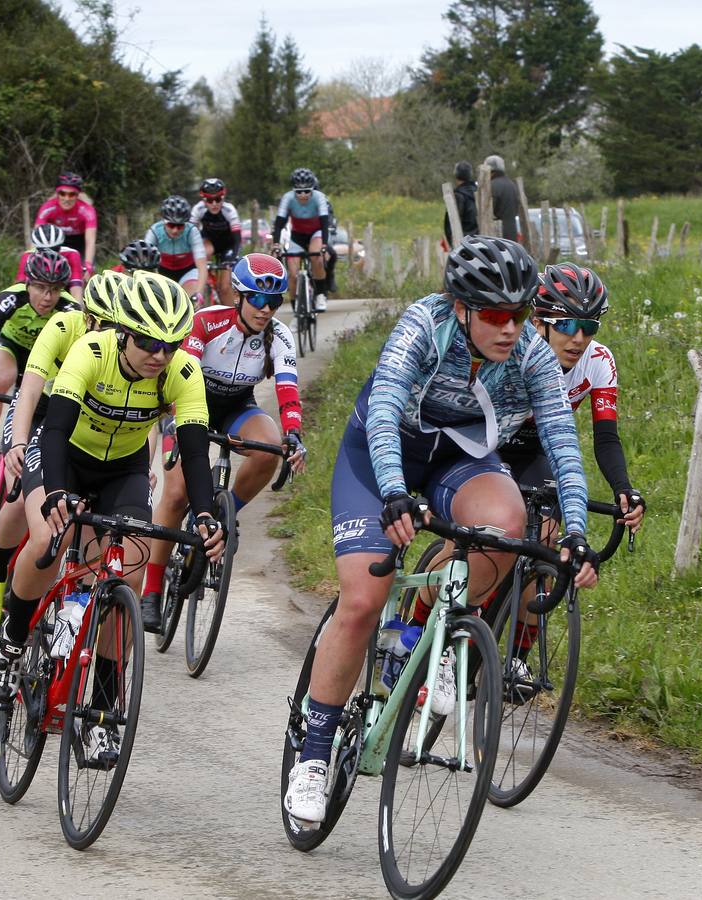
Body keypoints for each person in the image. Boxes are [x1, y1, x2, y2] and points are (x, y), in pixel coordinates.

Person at [282, 235, 600, 827]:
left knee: (511, 524)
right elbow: (382, 410)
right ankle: (315, 753)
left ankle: (425, 625)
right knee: (361, 601)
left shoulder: (528, 351)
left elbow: (562, 441)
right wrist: (395, 492)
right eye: (496, 315)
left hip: (458, 457)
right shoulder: (422, 327)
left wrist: (576, 532)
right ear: (461, 308)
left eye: (522, 314)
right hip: (381, 454)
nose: (511, 329)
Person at [0, 271, 225, 767]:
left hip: (124, 470)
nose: (159, 354)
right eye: (147, 342)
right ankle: (11, 640)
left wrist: (204, 515)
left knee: (126, 581)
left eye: (170, 343)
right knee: (51, 535)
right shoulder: (91, 352)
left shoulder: (182, 372)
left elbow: (196, 454)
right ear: (123, 332)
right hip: (64, 457)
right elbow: (53, 431)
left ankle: (99, 711)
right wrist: (55, 492)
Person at [494, 263, 645, 680]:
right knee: (491, 537)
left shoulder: (599, 362)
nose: (579, 338)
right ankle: (431, 631)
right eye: (567, 325)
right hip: (488, 445)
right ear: (539, 321)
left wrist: (623, 489)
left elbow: (606, 438)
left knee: (543, 543)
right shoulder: (513, 347)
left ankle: (516, 658)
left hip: (539, 450)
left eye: (590, 325)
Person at [140, 253, 308, 628]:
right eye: (259, 299)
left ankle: (223, 511)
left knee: (270, 447)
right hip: (191, 402)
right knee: (177, 493)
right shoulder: (207, 322)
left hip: (236, 406)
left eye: (275, 301)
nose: (266, 309)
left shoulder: (279, 336)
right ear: (240, 296)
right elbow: (182, 376)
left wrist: (294, 433)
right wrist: (176, 429)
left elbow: (287, 388)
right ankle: (151, 590)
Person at [0, 270, 124, 630]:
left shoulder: (126, 349)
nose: (106, 334)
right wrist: (19, 444)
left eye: (115, 327)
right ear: (87, 316)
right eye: (100, 324)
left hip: (77, 423)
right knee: (19, 496)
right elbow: (28, 390)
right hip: (39, 410)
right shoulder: (62, 326)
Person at [0, 249, 78, 494]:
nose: (47, 297)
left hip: (46, 359)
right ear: (27, 284)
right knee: (0, 378)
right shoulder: (9, 300)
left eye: (55, 289)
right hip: (12, 347)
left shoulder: (70, 309)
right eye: (41, 288)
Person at [271, 167, 331, 312]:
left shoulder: (319, 197)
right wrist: (276, 245)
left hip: (315, 233)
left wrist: (324, 245)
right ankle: (296, 309)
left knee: (316, 257)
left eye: (307, 191)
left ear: (313, 189)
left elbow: (324, 223)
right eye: (299, 192)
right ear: (293, 190)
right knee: (292, 274)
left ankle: (320, 295)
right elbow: (279, 223)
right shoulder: (288, 198)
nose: (303, 195)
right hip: (297, 236)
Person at [33, 171, 97, 278]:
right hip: (57, 241)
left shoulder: (87, 210)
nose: (66, 198)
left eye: (72, 194)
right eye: (62, 193)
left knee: (84, 275)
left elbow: (90, 241)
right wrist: (32, 257)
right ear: (57, 194)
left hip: (80, 243)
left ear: (78, 195)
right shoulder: (48, 207)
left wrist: (88, 265)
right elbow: (37, 236)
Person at [145, 195, 208, 303]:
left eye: (180, 226)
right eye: (171, 225)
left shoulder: (192, 231)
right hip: (162, 271)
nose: (175, 230)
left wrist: (199, 294)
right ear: (163, 221)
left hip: (187, 271)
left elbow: (202, 267)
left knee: (189, 301)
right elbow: (144, 263)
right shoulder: (155, 231)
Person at [190, 177, 243, 303]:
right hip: (209, 242)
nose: (214, 204)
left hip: (228, 246)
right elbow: (190, 234)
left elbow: (237, 239)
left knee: (224, 287)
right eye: (209, 200)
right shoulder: (198, 209)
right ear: (204, 200)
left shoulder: (229, 210)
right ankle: (207, 281)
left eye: (217, 199)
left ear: (223, 197)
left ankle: (230, 316)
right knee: (205, 250)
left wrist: (232, 258)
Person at [16, 223, 85, 299]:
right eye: (43, 251)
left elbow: (76, 288)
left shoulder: (72, 254)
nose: (49, 255)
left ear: (60, 246)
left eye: (54, 249)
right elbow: (20, 289)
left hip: (64, 290)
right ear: (36, 248)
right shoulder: (28, 256)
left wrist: (78, 307)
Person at [441, 160, 479, 247]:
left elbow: (452, 222)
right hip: (480, 240)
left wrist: (452, 242)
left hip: (464, 243)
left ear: (456, 175)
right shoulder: (479, 193)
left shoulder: (458, 196)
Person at [485, 154, 522, 242]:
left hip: (497, 235)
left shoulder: (491, 186)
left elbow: (488, 213)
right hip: (512, 232)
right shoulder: (512, 185)